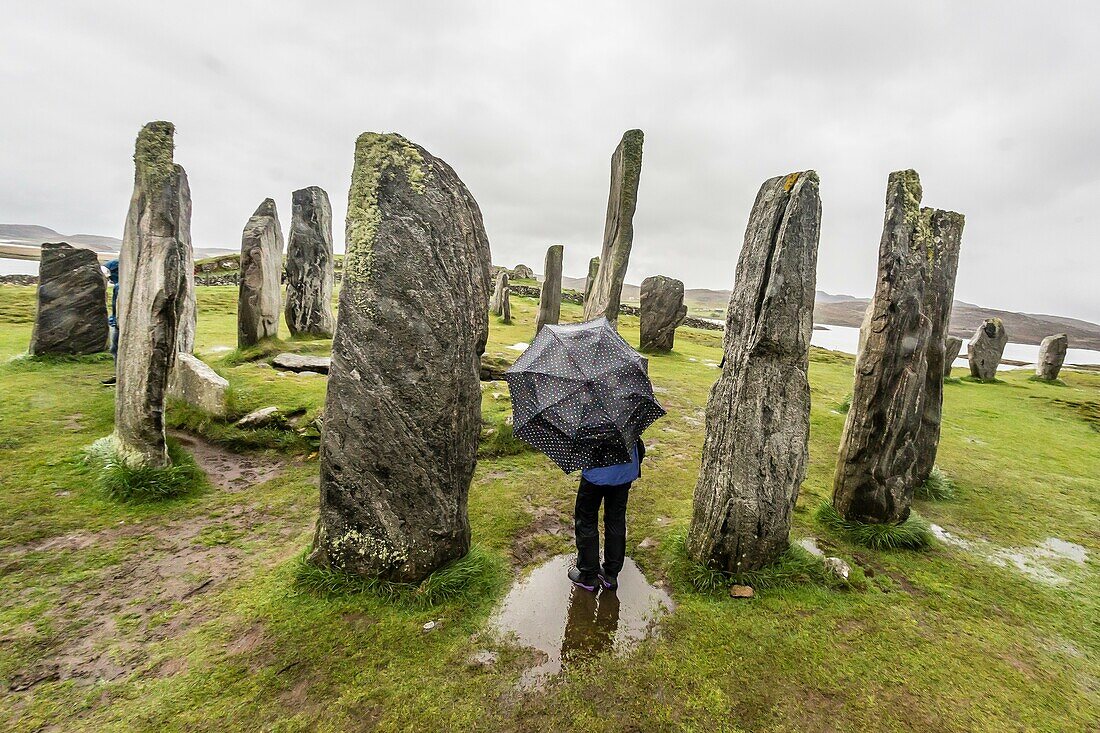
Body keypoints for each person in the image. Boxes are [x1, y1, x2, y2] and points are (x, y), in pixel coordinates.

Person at [568, 438, 645, 592]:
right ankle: (611, 575)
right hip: (625, 470)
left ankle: (589, 576)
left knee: (586, 520)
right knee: (616, 520)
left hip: (596, 472)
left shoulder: (589, 415)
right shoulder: (627, 414)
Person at [101, 259, 120, 385]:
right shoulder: (119, 286)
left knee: (115, 348)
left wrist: (115, 320)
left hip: (120, 322)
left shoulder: (120, 286)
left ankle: (120, 375)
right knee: (115, 348)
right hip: (117, 321)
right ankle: (119, 374)